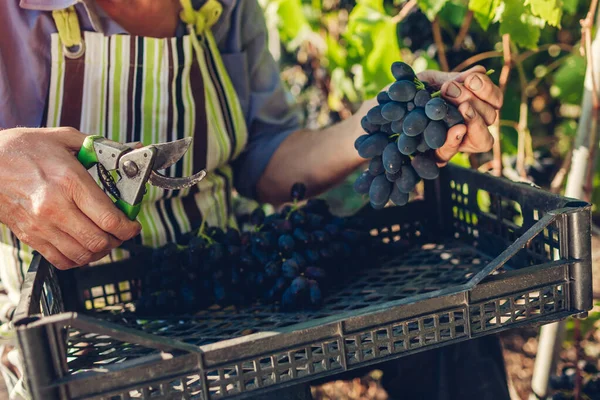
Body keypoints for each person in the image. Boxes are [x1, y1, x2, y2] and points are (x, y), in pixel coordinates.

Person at [0, 0, 506, 398]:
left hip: (221, 278)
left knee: (450, 333)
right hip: (67, 311)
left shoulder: (225, 5)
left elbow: (265, 163)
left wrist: (381, 122)